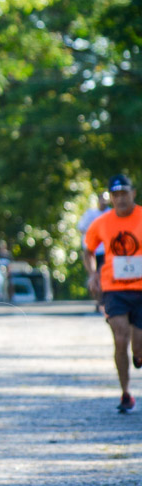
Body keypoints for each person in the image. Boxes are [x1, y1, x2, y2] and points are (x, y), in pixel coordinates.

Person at [84, 173, 142, 414]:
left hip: (140, 289)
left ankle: (138, 354)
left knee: (138, 345)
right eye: (115, 195)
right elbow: (87, 249)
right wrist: (93, 274)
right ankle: (126, 393)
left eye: (124, 194)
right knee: (120, 338)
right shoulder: (102, 222)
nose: (120, 199)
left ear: (133, 194)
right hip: (114, 288)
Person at [79, 190, 110, 309]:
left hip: (106, 251)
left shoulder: (111, 213)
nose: (104, 201)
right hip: (92, 251)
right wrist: (95, 233)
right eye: (102, 198)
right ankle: (98, 300)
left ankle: (103, 300)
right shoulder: (90, 214)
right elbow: (81, 228)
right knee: (94, 277)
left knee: (104, 276)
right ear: (98, 200)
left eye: (106, 199)